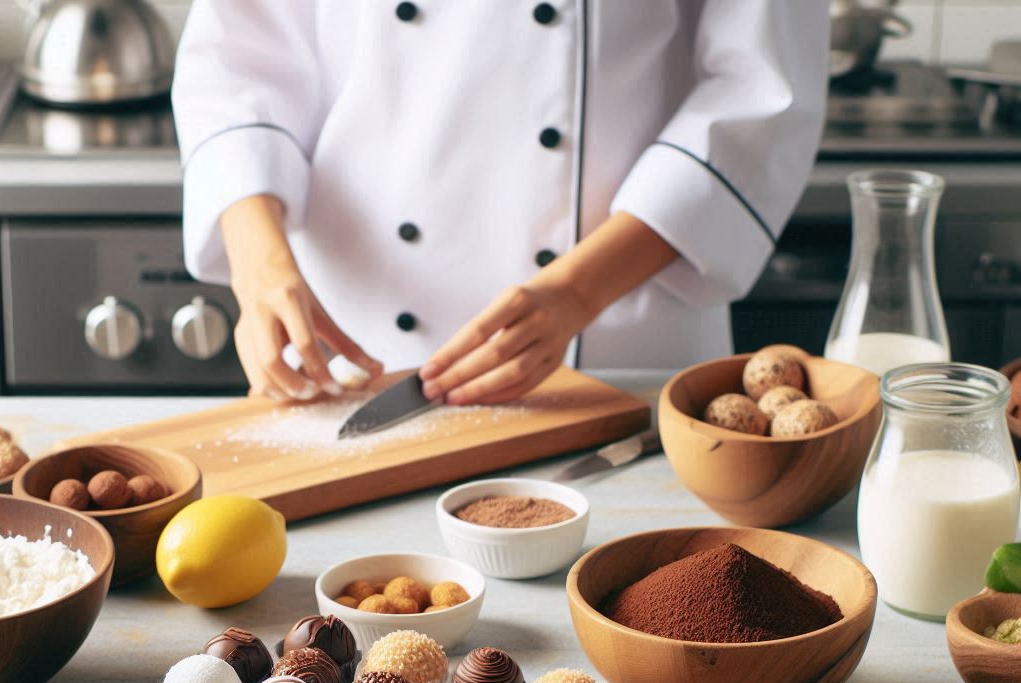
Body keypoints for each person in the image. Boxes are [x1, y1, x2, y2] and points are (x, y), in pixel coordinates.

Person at [173, 2, 828, 405]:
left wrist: (575, 293)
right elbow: (236, 62)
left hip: (615, 339)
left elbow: (758, 98)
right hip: (352, 339)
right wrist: (257, 263)